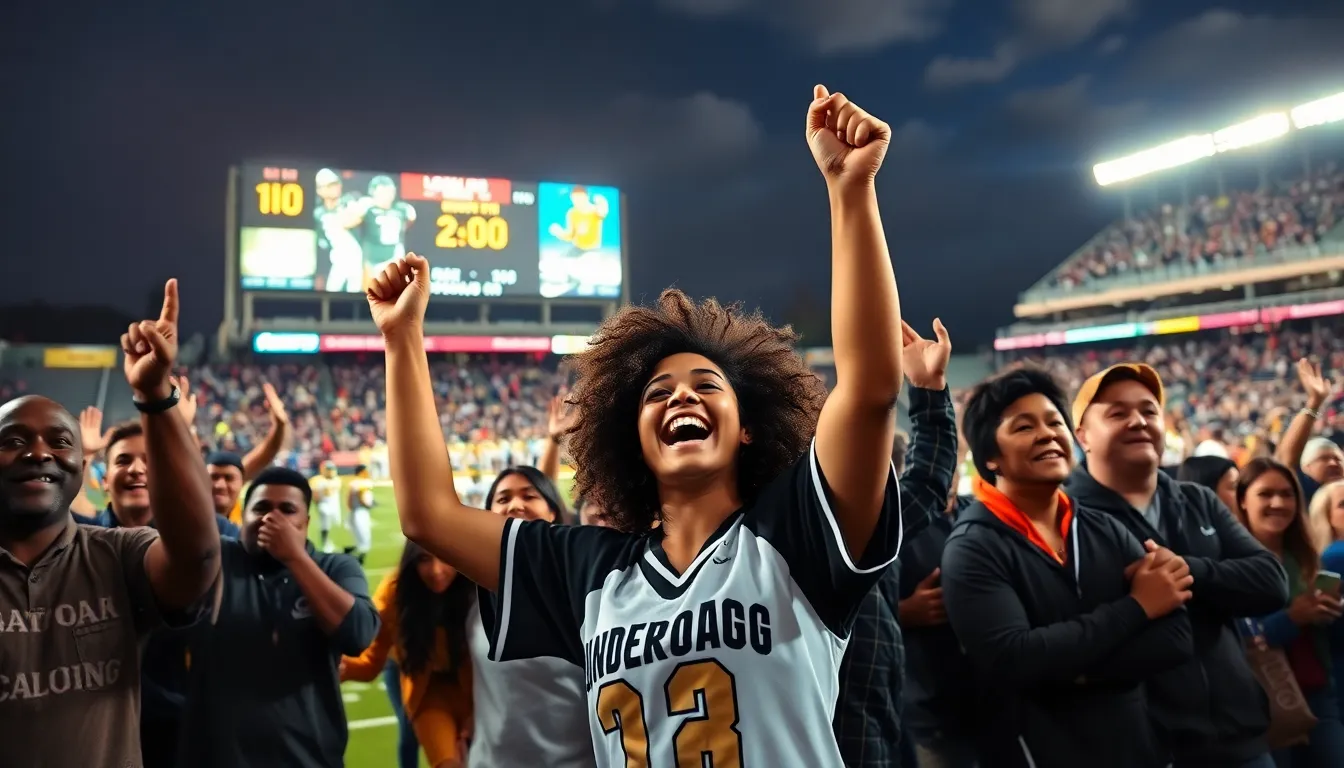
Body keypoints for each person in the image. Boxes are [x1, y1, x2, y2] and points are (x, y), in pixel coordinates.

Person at [374, 85, 906, 766]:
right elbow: (428, 515)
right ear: (634, 438)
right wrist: (403, 339)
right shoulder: (587, 571)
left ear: (748, 427)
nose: (680, 397)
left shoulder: (795, 533)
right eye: (657, 393)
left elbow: (867, 390)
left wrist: (849, 189)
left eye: (706, 384)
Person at [0, 279, 222, 766]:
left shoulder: (117, 554)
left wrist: (155, 395)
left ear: (83, 465)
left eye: (59, 441)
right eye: (14, 440)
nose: (38, 451)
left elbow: (196, 557)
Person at [942, 367, 1195, 767]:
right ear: (990, 456)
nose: (1047, 434)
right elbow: (1014, 660)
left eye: (1054, 421)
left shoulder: (1105, 527)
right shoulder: (972, 548)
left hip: (1138, 749)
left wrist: (1070, 671)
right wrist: (1136, 608)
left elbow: (1176, 637)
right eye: (1024, 427)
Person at [1067, 363, 1289, 768]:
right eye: (1117, 413)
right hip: (1145, 748)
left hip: (1240, 738)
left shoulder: (1196, 499)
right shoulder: (1068, 517)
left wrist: (1189, 571)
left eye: (1149, 411)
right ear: (1083, 435)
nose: (1138, 421)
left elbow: (1271, 583)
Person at [177, 466, 380, 767]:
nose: (271, 518)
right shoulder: (216, 561)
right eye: (260, 508)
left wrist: (296, 557)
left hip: (308, 758)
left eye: (287, 510)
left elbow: (358, 635)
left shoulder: (335, 568)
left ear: (306, 522)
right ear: (241, 516)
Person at [834, 318, 959, 768]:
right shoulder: (754, 535)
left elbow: (927, 481)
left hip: (885, 728)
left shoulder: (857, 521)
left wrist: (927, 388)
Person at [468, 465, 595, 767]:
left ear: (553, 511)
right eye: (502, 499)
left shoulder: (586, 586)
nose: (515, 505)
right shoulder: (468, 589)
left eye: (529, 496)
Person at [1239, 458, 1344, 767]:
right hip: (1264, 701)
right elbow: (1239, 638)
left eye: (1287, 494)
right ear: (1242, 500)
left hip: (1319, 694)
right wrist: (1292, 618)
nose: (1278, 503)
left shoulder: (1307, 558)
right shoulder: (1230, 563)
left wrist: (1329, 612)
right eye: (1265, 494)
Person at [342, 542, 474, 768]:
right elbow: (370, 660)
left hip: (481, 694)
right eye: (424, 560)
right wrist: (330, 664)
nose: (436, 570)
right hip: (427, 692)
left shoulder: (481, 584)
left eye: (445, 557)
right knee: (444, 760)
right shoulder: (396, 591)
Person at [346, 463, 375, 564]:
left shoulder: (354, 482)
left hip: (355, 511)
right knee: (364, 534)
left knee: (359, 534)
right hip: (361, 511)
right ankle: (361, 557)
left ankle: (352, 551)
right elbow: (361, 496)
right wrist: (368, 505)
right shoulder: (362, 483)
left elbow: (349, 499)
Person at [312, 460, 343, 553]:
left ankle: (330, 542)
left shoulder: (337, 479)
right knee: (325, 526)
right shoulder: (318, 480)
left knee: (336, 524)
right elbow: (315, 495)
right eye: (329, 469)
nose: (331, 471)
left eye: (331, 469)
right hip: (324, 505)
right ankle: (325, 544)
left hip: (334, 506)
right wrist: (318, 505)